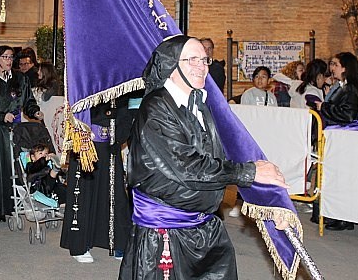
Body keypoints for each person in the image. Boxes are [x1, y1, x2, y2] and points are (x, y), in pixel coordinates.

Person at [118, 36, 289, 279]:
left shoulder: (199, 102)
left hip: (205, 227)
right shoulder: (156, 108)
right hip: (166, 234)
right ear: (171, 65)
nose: (202, 66)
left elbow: (221, 153)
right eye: (192, 60)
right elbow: (188, 167)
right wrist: (250, 172)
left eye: (204, 59)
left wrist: (268, 200)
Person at [60, 91, 138, 263]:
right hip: (86, 145)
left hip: (111, 146)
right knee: (84, 194)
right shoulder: (86, 81)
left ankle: (119, 243)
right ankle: (79, 245)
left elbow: (126, 114)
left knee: (115, 193)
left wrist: (118, 138)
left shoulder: (120, 85)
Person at [0, 46, 43, 222]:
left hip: (16, 127)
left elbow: (28, 100)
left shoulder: (20, 79)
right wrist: (2, 115)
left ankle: (15, 203)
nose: (9, 60)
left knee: (17, 165)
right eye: (5, 57)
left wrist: (34, 112)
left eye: (11, 57)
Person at [309, 52, 358, 231]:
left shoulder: (351, 88)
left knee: (341, 177)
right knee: (334, 177)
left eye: (335, 64)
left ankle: (343, 217)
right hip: (340, 136)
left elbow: (347, 114)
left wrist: (324, 106)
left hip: (345, 137)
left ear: (345, 67)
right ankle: (336, 215)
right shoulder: (345, 87)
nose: (331, 68)